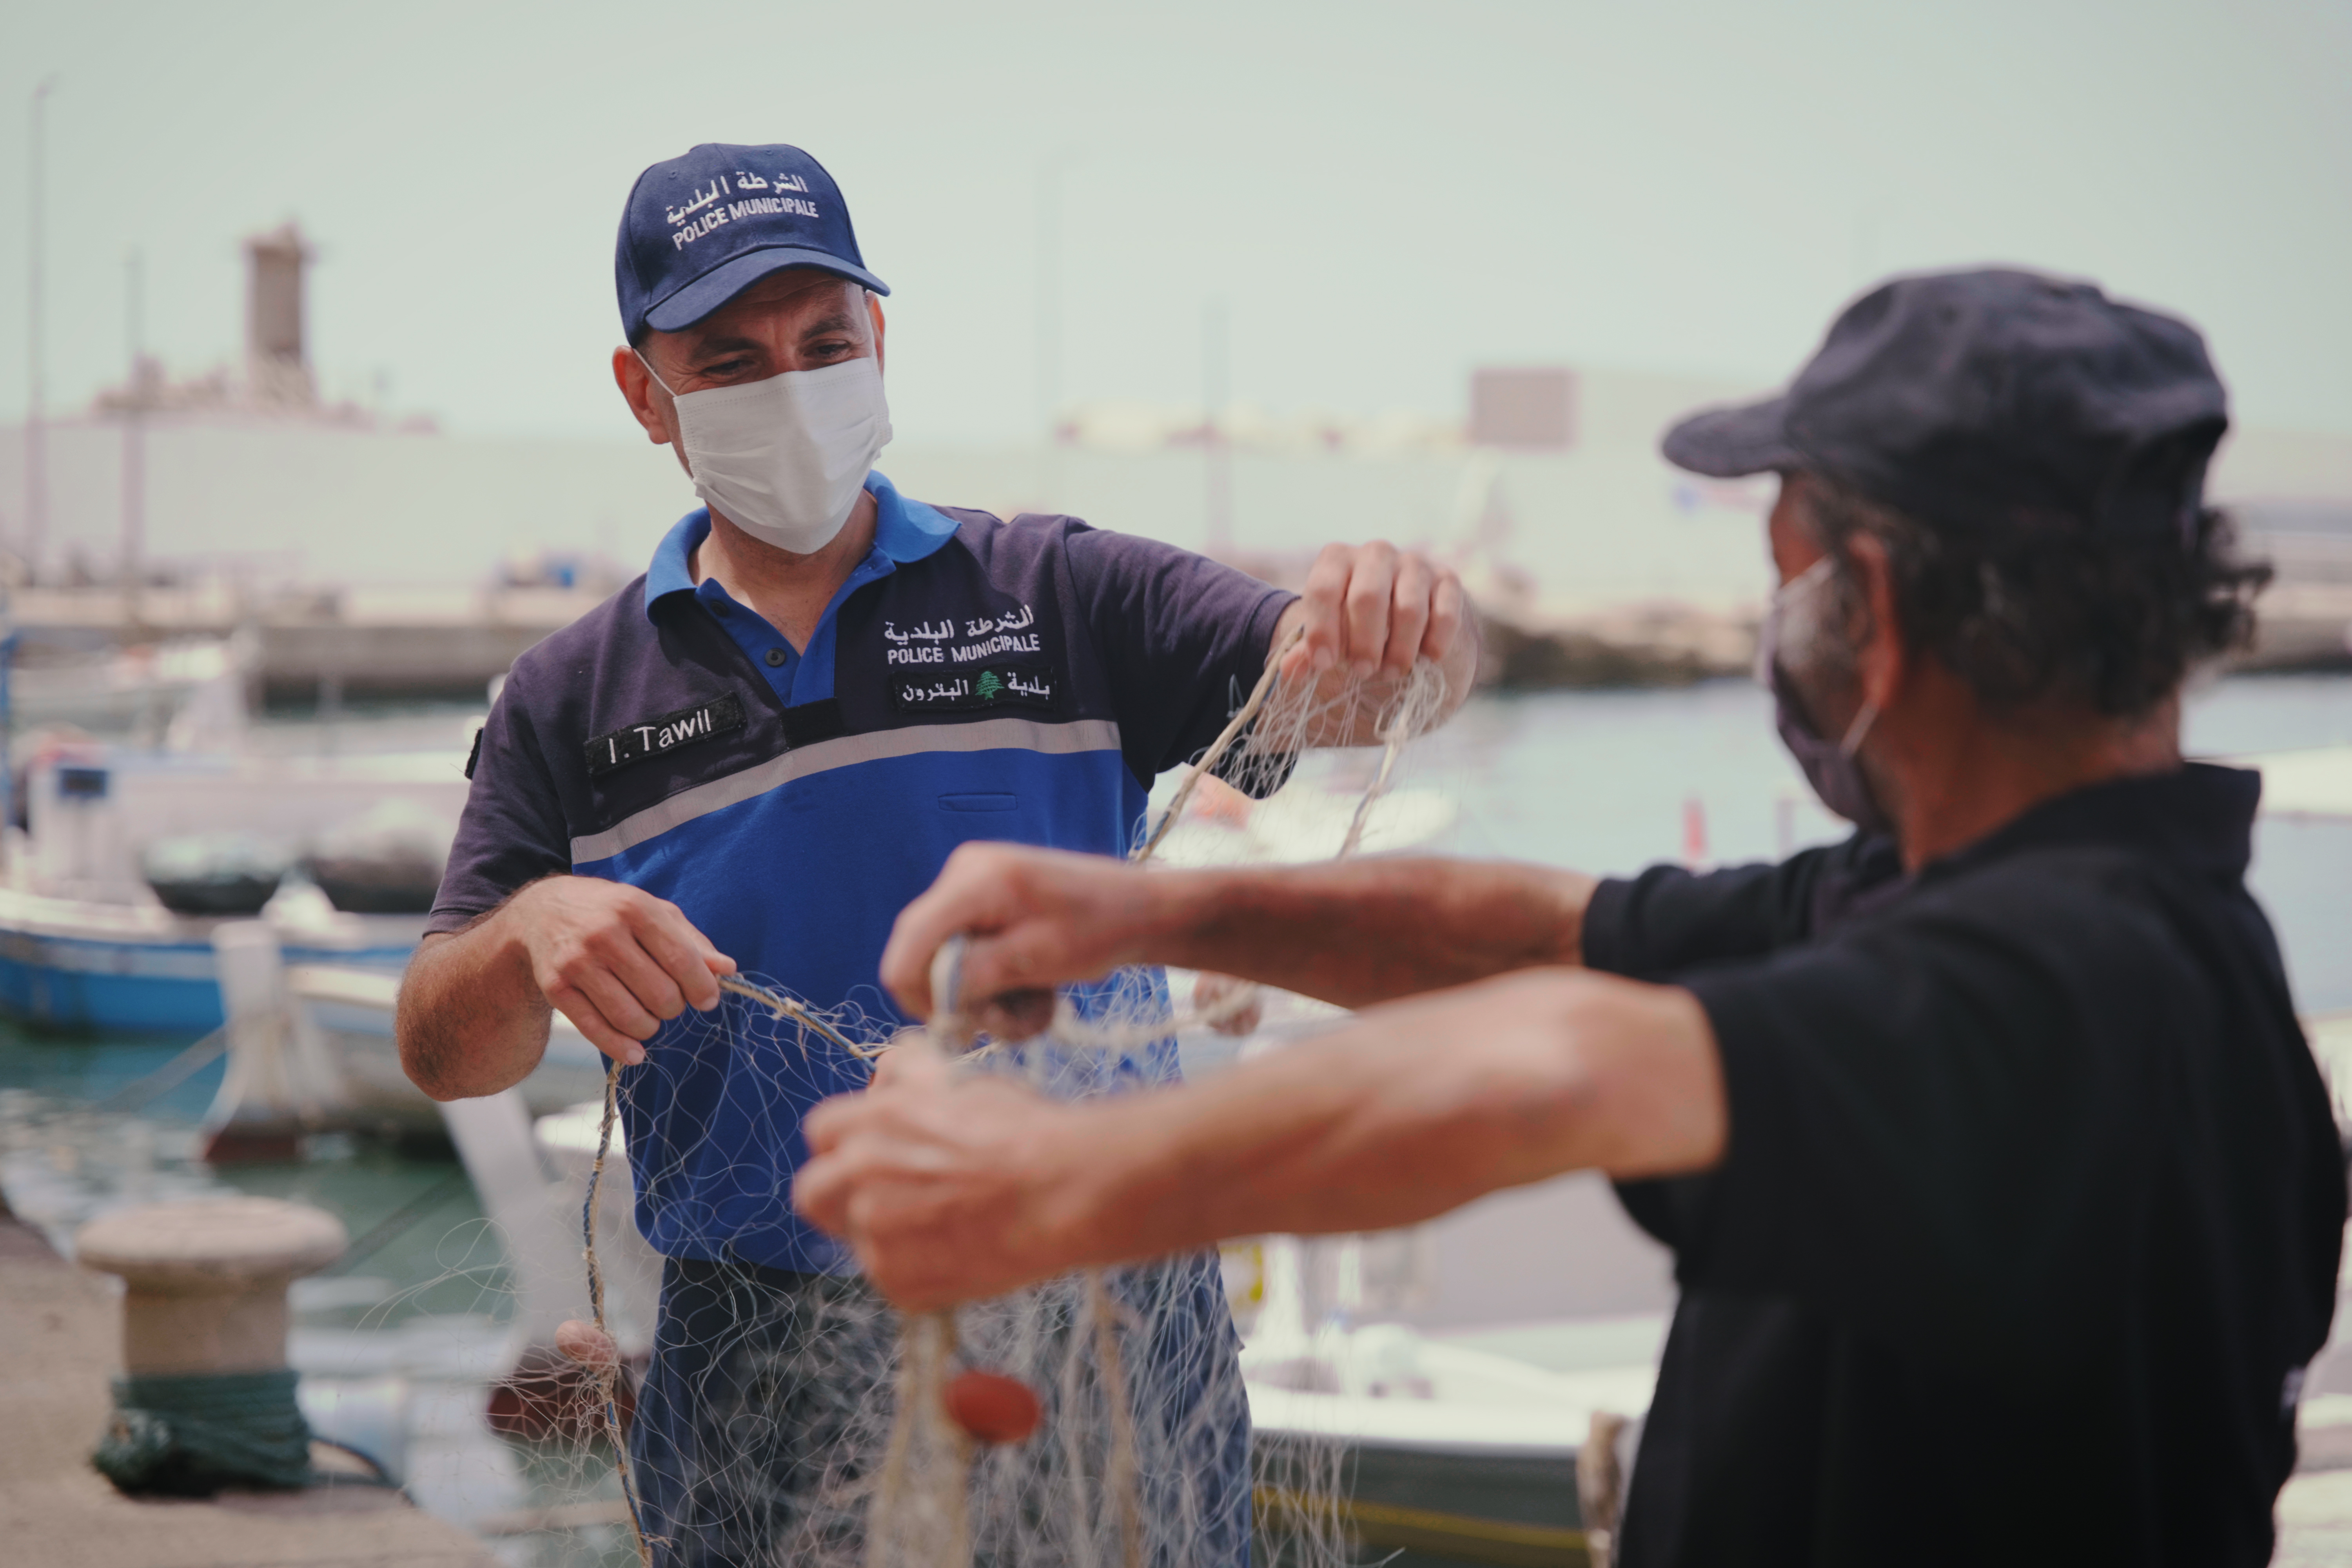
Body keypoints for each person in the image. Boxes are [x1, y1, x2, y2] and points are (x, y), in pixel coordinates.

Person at [796, 269, 2347, 1566]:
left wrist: (1062, 1180)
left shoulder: (2074, 987)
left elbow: (1574, 1064)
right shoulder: (1965, 896)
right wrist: (1136, 915)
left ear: (1872, 615)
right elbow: (1546, 940)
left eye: (1784, 572)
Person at [393, 141, 1477, 1565]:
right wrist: (533, 928)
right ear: (642, 394)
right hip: (756, 1343)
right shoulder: (566, 698)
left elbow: (1352, 688)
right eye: (731, 362)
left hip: (1104, 1308)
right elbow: (444, 1050)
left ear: (880, 343)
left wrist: (1409, 624)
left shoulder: (1063, 590)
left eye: (824, 342)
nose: (792, 386)